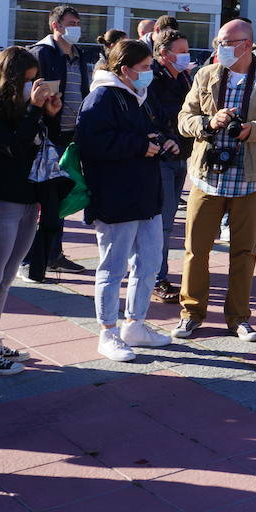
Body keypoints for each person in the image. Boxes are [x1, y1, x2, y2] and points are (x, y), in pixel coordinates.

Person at [175, 19, 256, 341]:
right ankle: (191, 313)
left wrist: (254, 130)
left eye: (227, 43)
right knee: (196, 249)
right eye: (219, 42)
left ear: (247, 44)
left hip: (252, 178)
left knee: (243, 252)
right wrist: (208, 122)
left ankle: (239, 318)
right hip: (207, 178)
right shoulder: (206, 74)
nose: (220, 48)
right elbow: (183, 120)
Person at [76, 39, 173, 362]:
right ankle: (108, 331)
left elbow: (151, 128)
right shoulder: (102, 96)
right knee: (112, 268)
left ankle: (136, 324)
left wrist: (164, 141)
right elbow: (89, 144)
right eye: (144, 68)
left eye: (150, 67)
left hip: (146, 194)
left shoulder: (139, 95)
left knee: (149, 264)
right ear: (124, 70)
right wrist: (137, 145)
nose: (150, 74)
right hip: (115, 196)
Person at [0, 47, 63, 376]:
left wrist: (48, 113)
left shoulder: (24, 110)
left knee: (6, 279)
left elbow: (36, 148)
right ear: (9, 79)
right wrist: (35, 113)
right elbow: (12, 146)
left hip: (27, 202)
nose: (33, 86)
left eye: (36, 80)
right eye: (28, 80)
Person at [25, 5, 91, 281]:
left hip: (71, 135)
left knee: (60, 198)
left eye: (78, 22)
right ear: (56, 26)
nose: (76, 27)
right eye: (71, 23)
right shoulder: (42, 53)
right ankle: (35, 256)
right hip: (47, 135)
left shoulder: (79, 54)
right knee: (44, 198)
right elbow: (33, 91)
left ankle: (53, 253)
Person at [145, 28, 193, 303]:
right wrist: (167, 140)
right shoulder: (152, 78)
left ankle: (155, 273)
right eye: (182, 51)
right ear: (164, 54)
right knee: (160, 223)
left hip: (181, 156)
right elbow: (152, 117)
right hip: (162, 157)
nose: (187, 56)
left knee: (168, 222)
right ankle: (156, 278)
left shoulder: (183, 77)